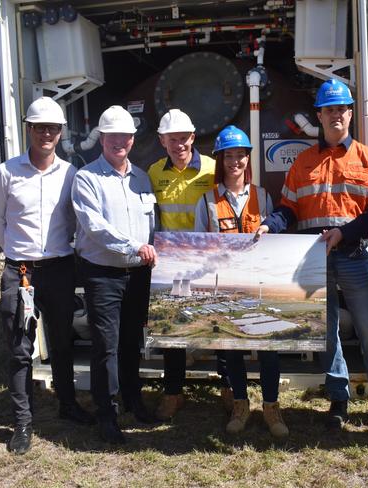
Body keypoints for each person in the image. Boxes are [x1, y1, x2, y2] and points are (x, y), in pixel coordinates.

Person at [256, 78, 368, 430]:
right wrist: (270, 224)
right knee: (326, 334)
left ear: (349, 114)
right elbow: (289, 209)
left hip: (353, 254)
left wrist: (345, 233)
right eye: (328, 110)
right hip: (313, 260)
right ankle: (339, 400)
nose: (335, 115)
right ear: (319, 115)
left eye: (341, 109)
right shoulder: (303, 162)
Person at [0, 96, 94, 455]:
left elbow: (77, 222)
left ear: (61, 132)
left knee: (63, 343)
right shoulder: (7, 172)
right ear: (29, 129)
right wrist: (20, 255)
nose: (46, 133)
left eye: (52, 128)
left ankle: (67, 405)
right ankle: (22, 422)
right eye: (39, 127)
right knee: (19, 350)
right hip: (21, 272)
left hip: (61, 269)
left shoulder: (71, 174)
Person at [194, 125, 288, 437]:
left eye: (240, 155)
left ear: (248, 159)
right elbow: (198, 246)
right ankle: (240, 404)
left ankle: (272, 408)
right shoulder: (206, 201)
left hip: (259, 284)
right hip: (225, 287)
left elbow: (274, 244)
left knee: (268, 348)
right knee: (231, 347)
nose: (235, 161)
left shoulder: (263, 196)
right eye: (229, 156)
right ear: (219, 160)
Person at [72, 105, 158, 444]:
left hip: (137, 275)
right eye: (112, 136)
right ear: (102, 139)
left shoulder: (142, 177)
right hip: (103, 275)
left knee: (130, 343)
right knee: (105, 347)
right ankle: (106, 414)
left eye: (124, 136)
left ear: (133, 140)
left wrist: (152, 248)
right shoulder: (87, 178)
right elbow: (94, 227)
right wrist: (135, 246)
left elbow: (152, 223)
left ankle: (133, 400)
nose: (118, 141)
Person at [147, 109, 232, 420]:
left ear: (193, 138)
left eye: (183, 138)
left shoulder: (212, 168)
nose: (178, 144)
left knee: (218, 324)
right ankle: (173, 394)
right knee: (172, 331)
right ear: (162, 141)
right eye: (172, 139)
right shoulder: (154, 173)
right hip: (170, 262)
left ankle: (229, 389)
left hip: (209, 259)